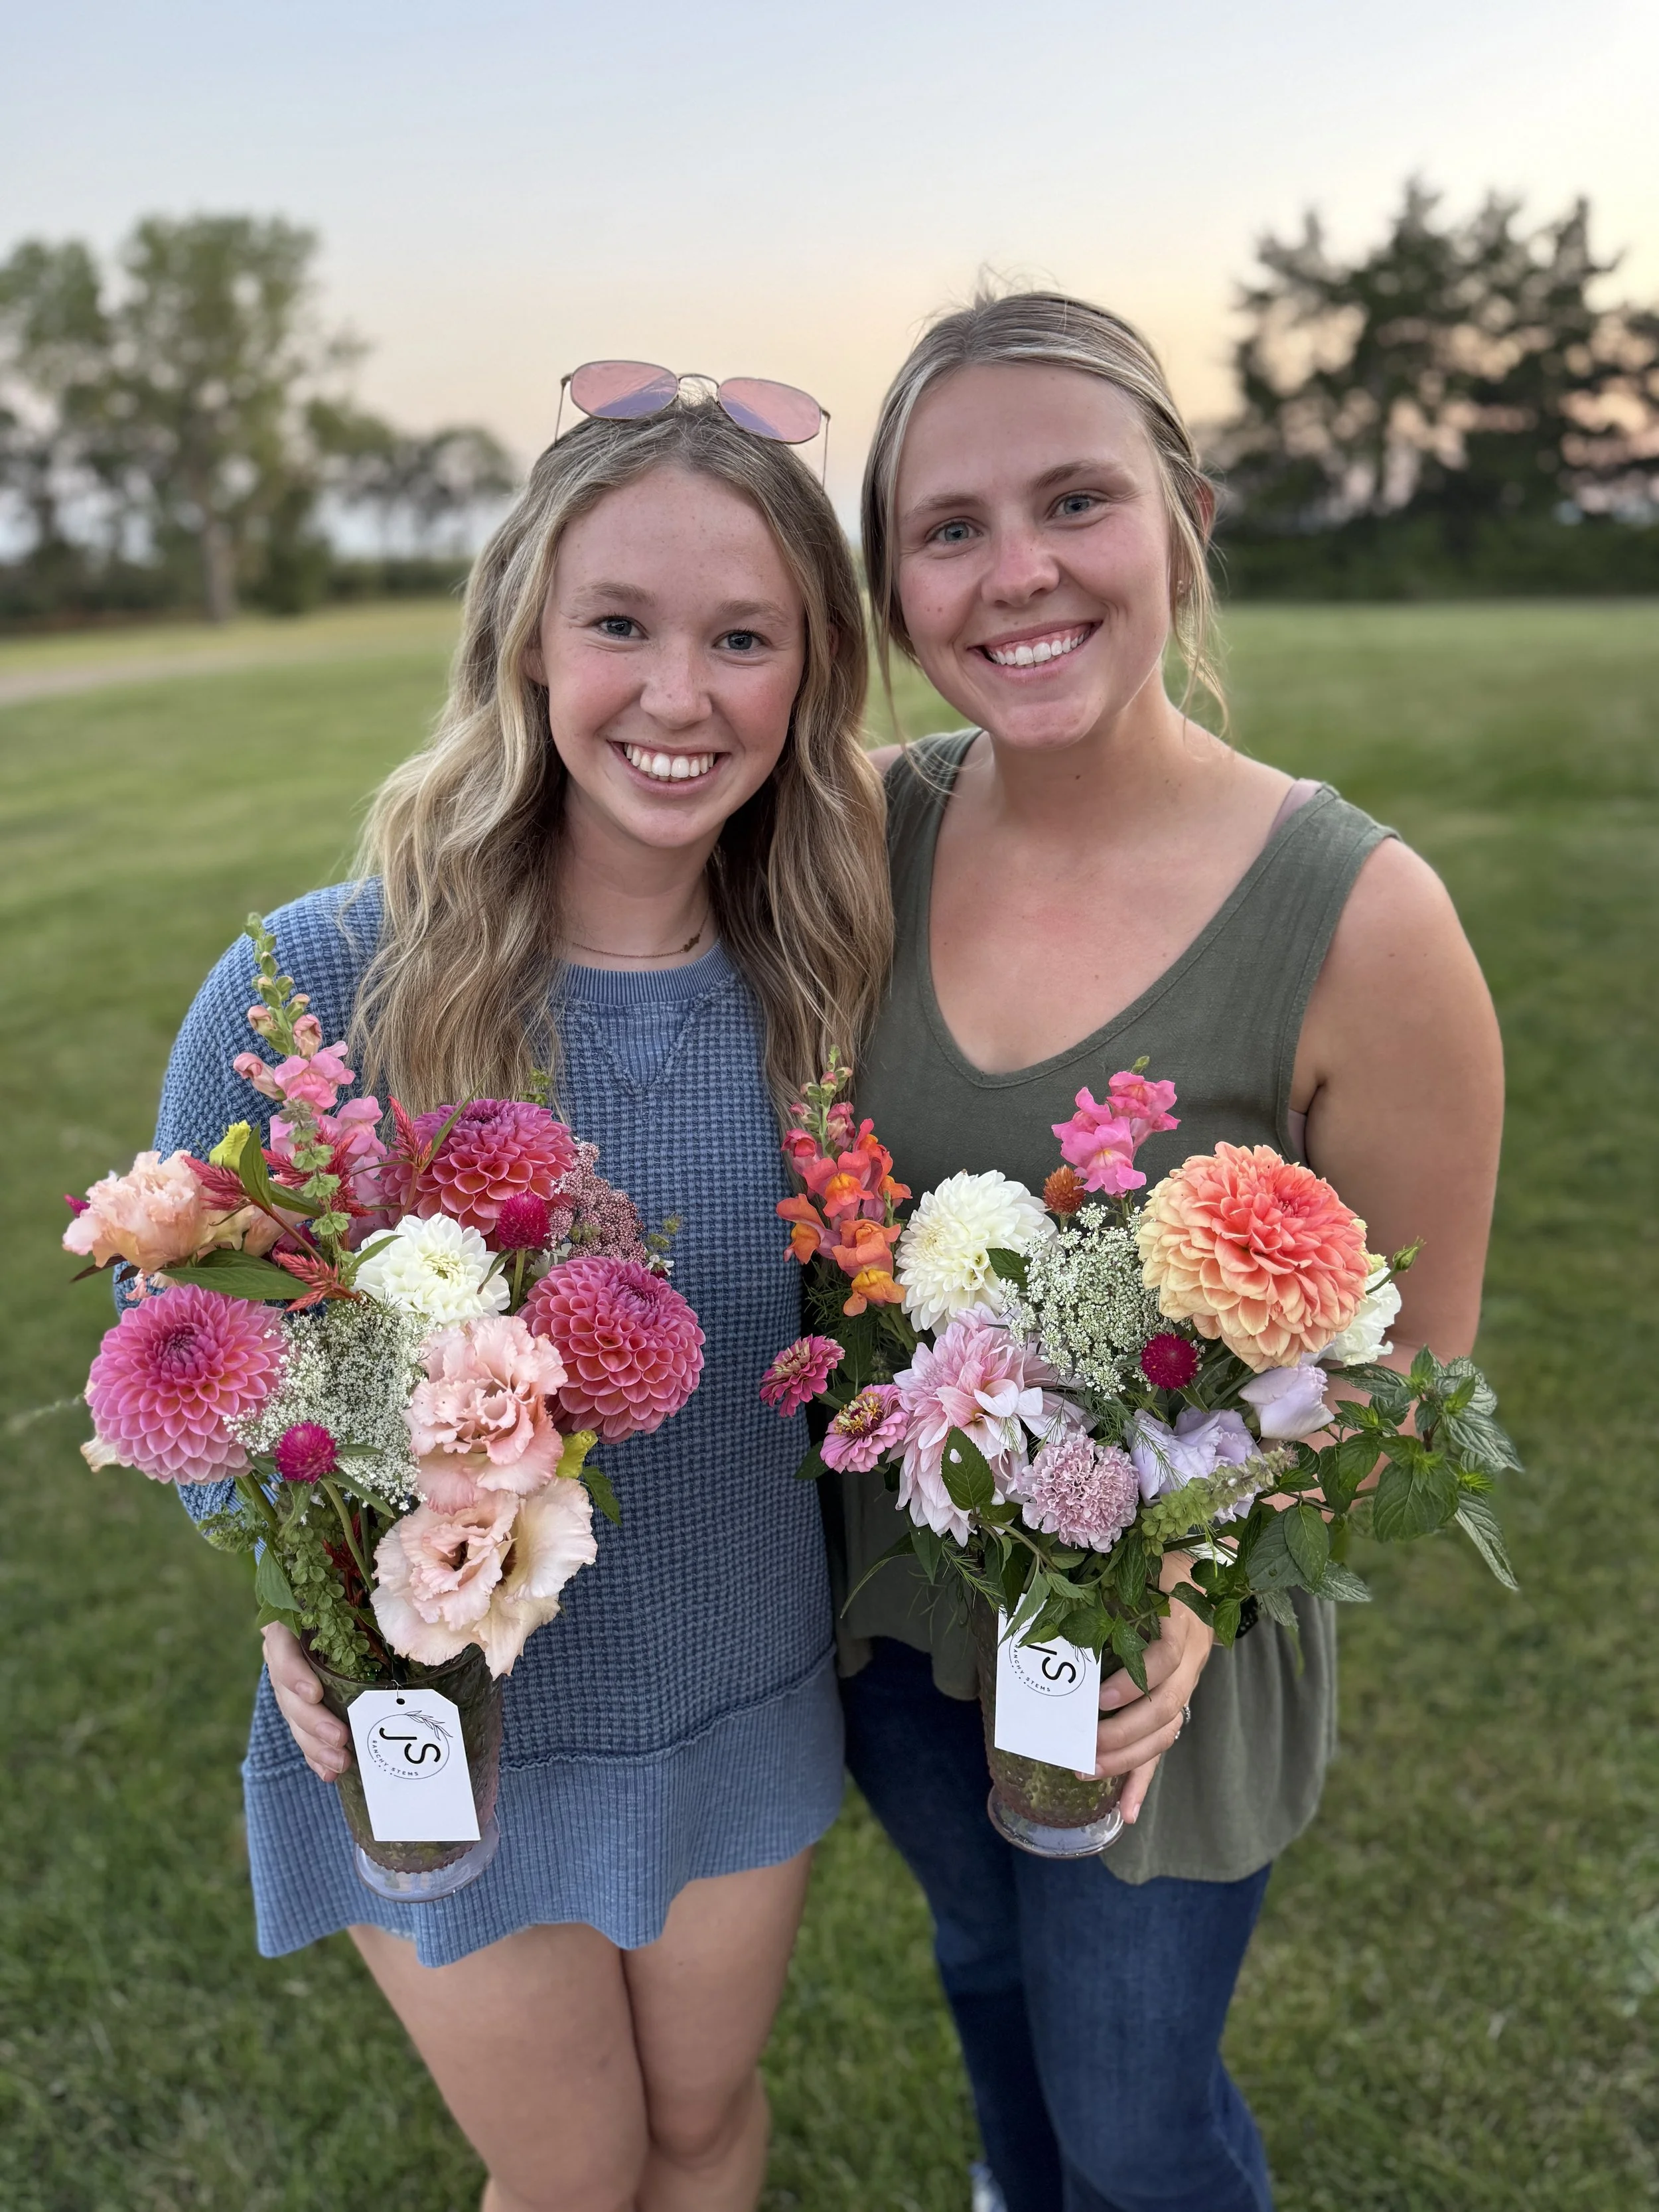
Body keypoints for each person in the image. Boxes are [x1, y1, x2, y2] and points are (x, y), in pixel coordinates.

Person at [155, 384, 889, 2212]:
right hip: (444, 1717)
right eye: (618, 624)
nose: (677, 693)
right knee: (569, 2168)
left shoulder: (832, 984)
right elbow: (180, 1363)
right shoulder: (324, 979)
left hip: (738, 1677)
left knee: (704, 2132)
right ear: (523, 640)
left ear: (808, 675)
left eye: (742, 637)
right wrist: (289, 1587)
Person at [823, 291, 1504, 2212]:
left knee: (1133, 2110)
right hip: (894, 1621)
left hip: (1152, 1662)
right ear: (892, 586)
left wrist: (1188, 1581)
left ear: (1183, 516)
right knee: (981, 1981)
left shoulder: (1360, 914)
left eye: (1073, 501)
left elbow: (1409, 1379)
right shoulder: (856, 839)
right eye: (948, 529)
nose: (1014, 572)